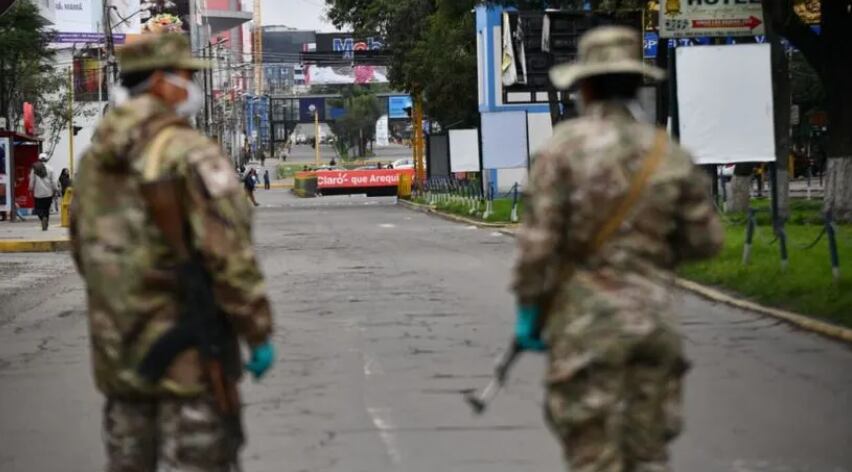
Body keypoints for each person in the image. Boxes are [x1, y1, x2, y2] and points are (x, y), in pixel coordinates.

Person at [511, 26, 723, 472]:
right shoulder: (667, 153)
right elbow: (706, 241)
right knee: (648, 456)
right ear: (636, 82)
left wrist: (531, 308)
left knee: (594, 457)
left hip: (585, 329)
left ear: (584, 86)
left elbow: (537, 247)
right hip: (652, 324)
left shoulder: (561, 152)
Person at [69, 33, 275, 472]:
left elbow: (83, 252)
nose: (190, 87)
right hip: (189, 356)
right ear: (162, 82)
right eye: (185, 76)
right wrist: (256, 330)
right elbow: (229, 256)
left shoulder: (94, 161)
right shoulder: (188, 152)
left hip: (121, 359)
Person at [29, 155, 56, 231]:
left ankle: (42, 218)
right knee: (46, 209)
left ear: (39, 159)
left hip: (38, 193)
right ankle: (46, 222)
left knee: (38, 209)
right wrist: (55, 189)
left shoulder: (34, 169)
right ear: (46, 159)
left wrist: (30, 188)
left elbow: (32, 180)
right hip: (48, 193)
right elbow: (53, 181)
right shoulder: (51, 169)